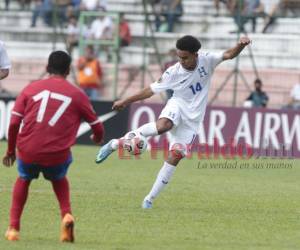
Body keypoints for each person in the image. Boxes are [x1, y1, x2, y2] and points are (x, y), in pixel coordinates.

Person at [96, 35, 251, 209]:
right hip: (177, 105)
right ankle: (125, 140)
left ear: (195, 54)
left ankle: (149, 198)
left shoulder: (207, 60)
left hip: (193, 120)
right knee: (164, 126)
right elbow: (149, 91)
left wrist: (240, 45)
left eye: (185, 57)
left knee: (175, 156)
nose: (181, 61)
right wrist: (125, 101)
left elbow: (229, 54)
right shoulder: (173, 72)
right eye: (179, 57)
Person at [3, 51, 104, 242]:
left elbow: (15, 123)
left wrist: (10, 151)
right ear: (68, 70)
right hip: (57, 155)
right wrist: (97, 138)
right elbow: (97, 126)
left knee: (24, 178)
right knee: (59, 177)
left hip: (28, 151)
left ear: (47, 68)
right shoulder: (77, 94)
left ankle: (13, 228)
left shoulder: (30, 89)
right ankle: (66, 214)